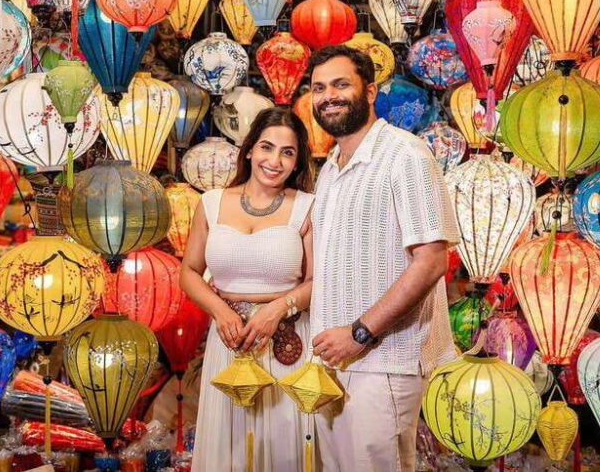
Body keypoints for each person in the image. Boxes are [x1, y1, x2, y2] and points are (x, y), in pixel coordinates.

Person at [308, 46, 460, 472]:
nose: (328, 96)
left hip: (384, 360)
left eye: (341, 84)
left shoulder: (405, 155)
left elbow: (431, 262)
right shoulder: (330, 167)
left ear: (370, 91)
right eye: (319, 88)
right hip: (334, 361)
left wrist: (360, 333)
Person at [180, 107, 315, 472]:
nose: (275, 161)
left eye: (287, 152)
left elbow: (317, 281)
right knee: (230, 448)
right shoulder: (211, 202)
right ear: (250, 149)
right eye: (267, 147)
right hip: (229, 340)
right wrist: (220, 312)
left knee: (283, 447)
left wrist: (278, 309)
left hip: (285, 340)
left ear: (297, 162)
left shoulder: (307, 207)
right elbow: (189, 272)